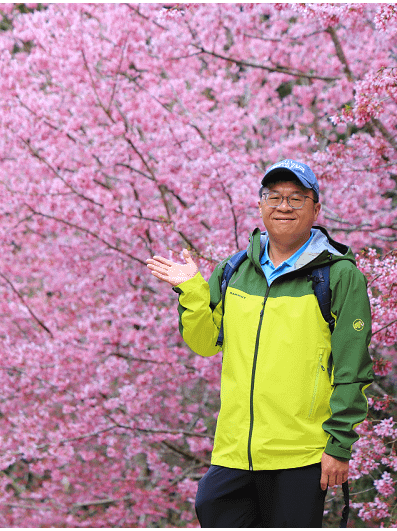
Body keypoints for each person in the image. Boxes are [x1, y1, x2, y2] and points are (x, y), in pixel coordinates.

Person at [146, 159, 374, 527]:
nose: (284, 206)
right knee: (210, 506)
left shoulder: (339, 276)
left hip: (299, 455)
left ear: (316, 209)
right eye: (274, 196)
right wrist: (191, 290)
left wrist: (340, 445)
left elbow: (353, 367)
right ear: (260, 205)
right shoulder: (234, 269)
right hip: (234, 452)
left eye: (297, 198)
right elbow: (205, 343)